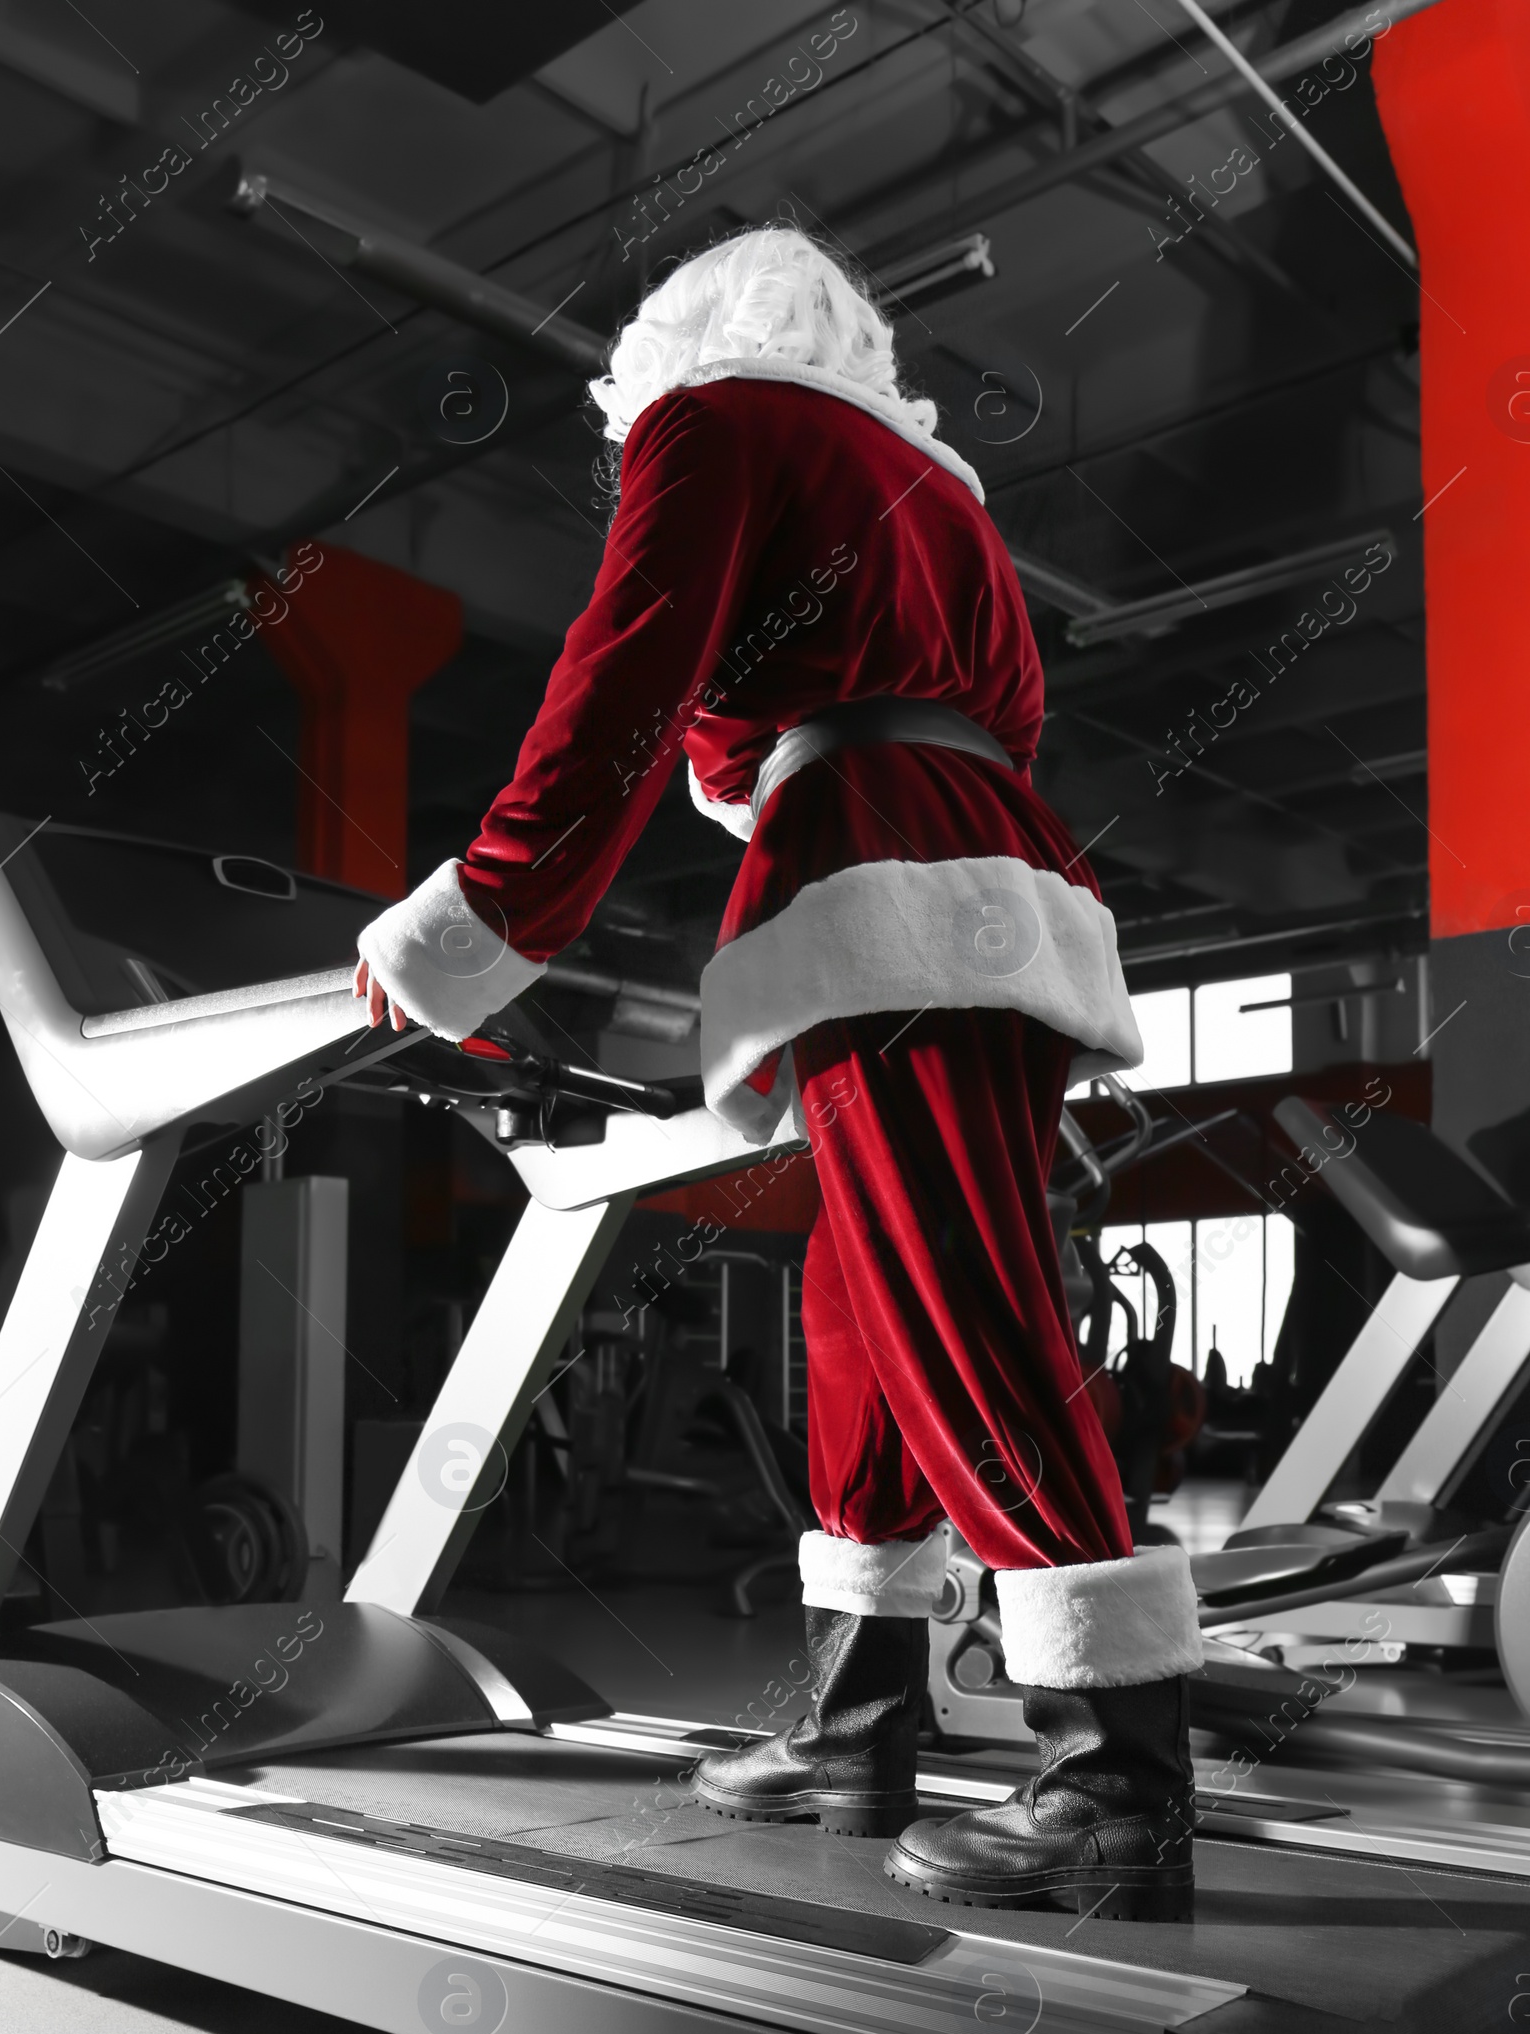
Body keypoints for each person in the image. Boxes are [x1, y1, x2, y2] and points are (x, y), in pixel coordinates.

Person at [355, 226, 1203, 1920]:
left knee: (954, 1294)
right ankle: (855, 1726)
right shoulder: (944, 494)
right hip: (990, 869)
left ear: (675, 342)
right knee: (861, 1307)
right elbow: (1014, 720)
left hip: (875, 873)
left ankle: (1118, 1776)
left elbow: (623, 675)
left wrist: (471, 923)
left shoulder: (717, 420)